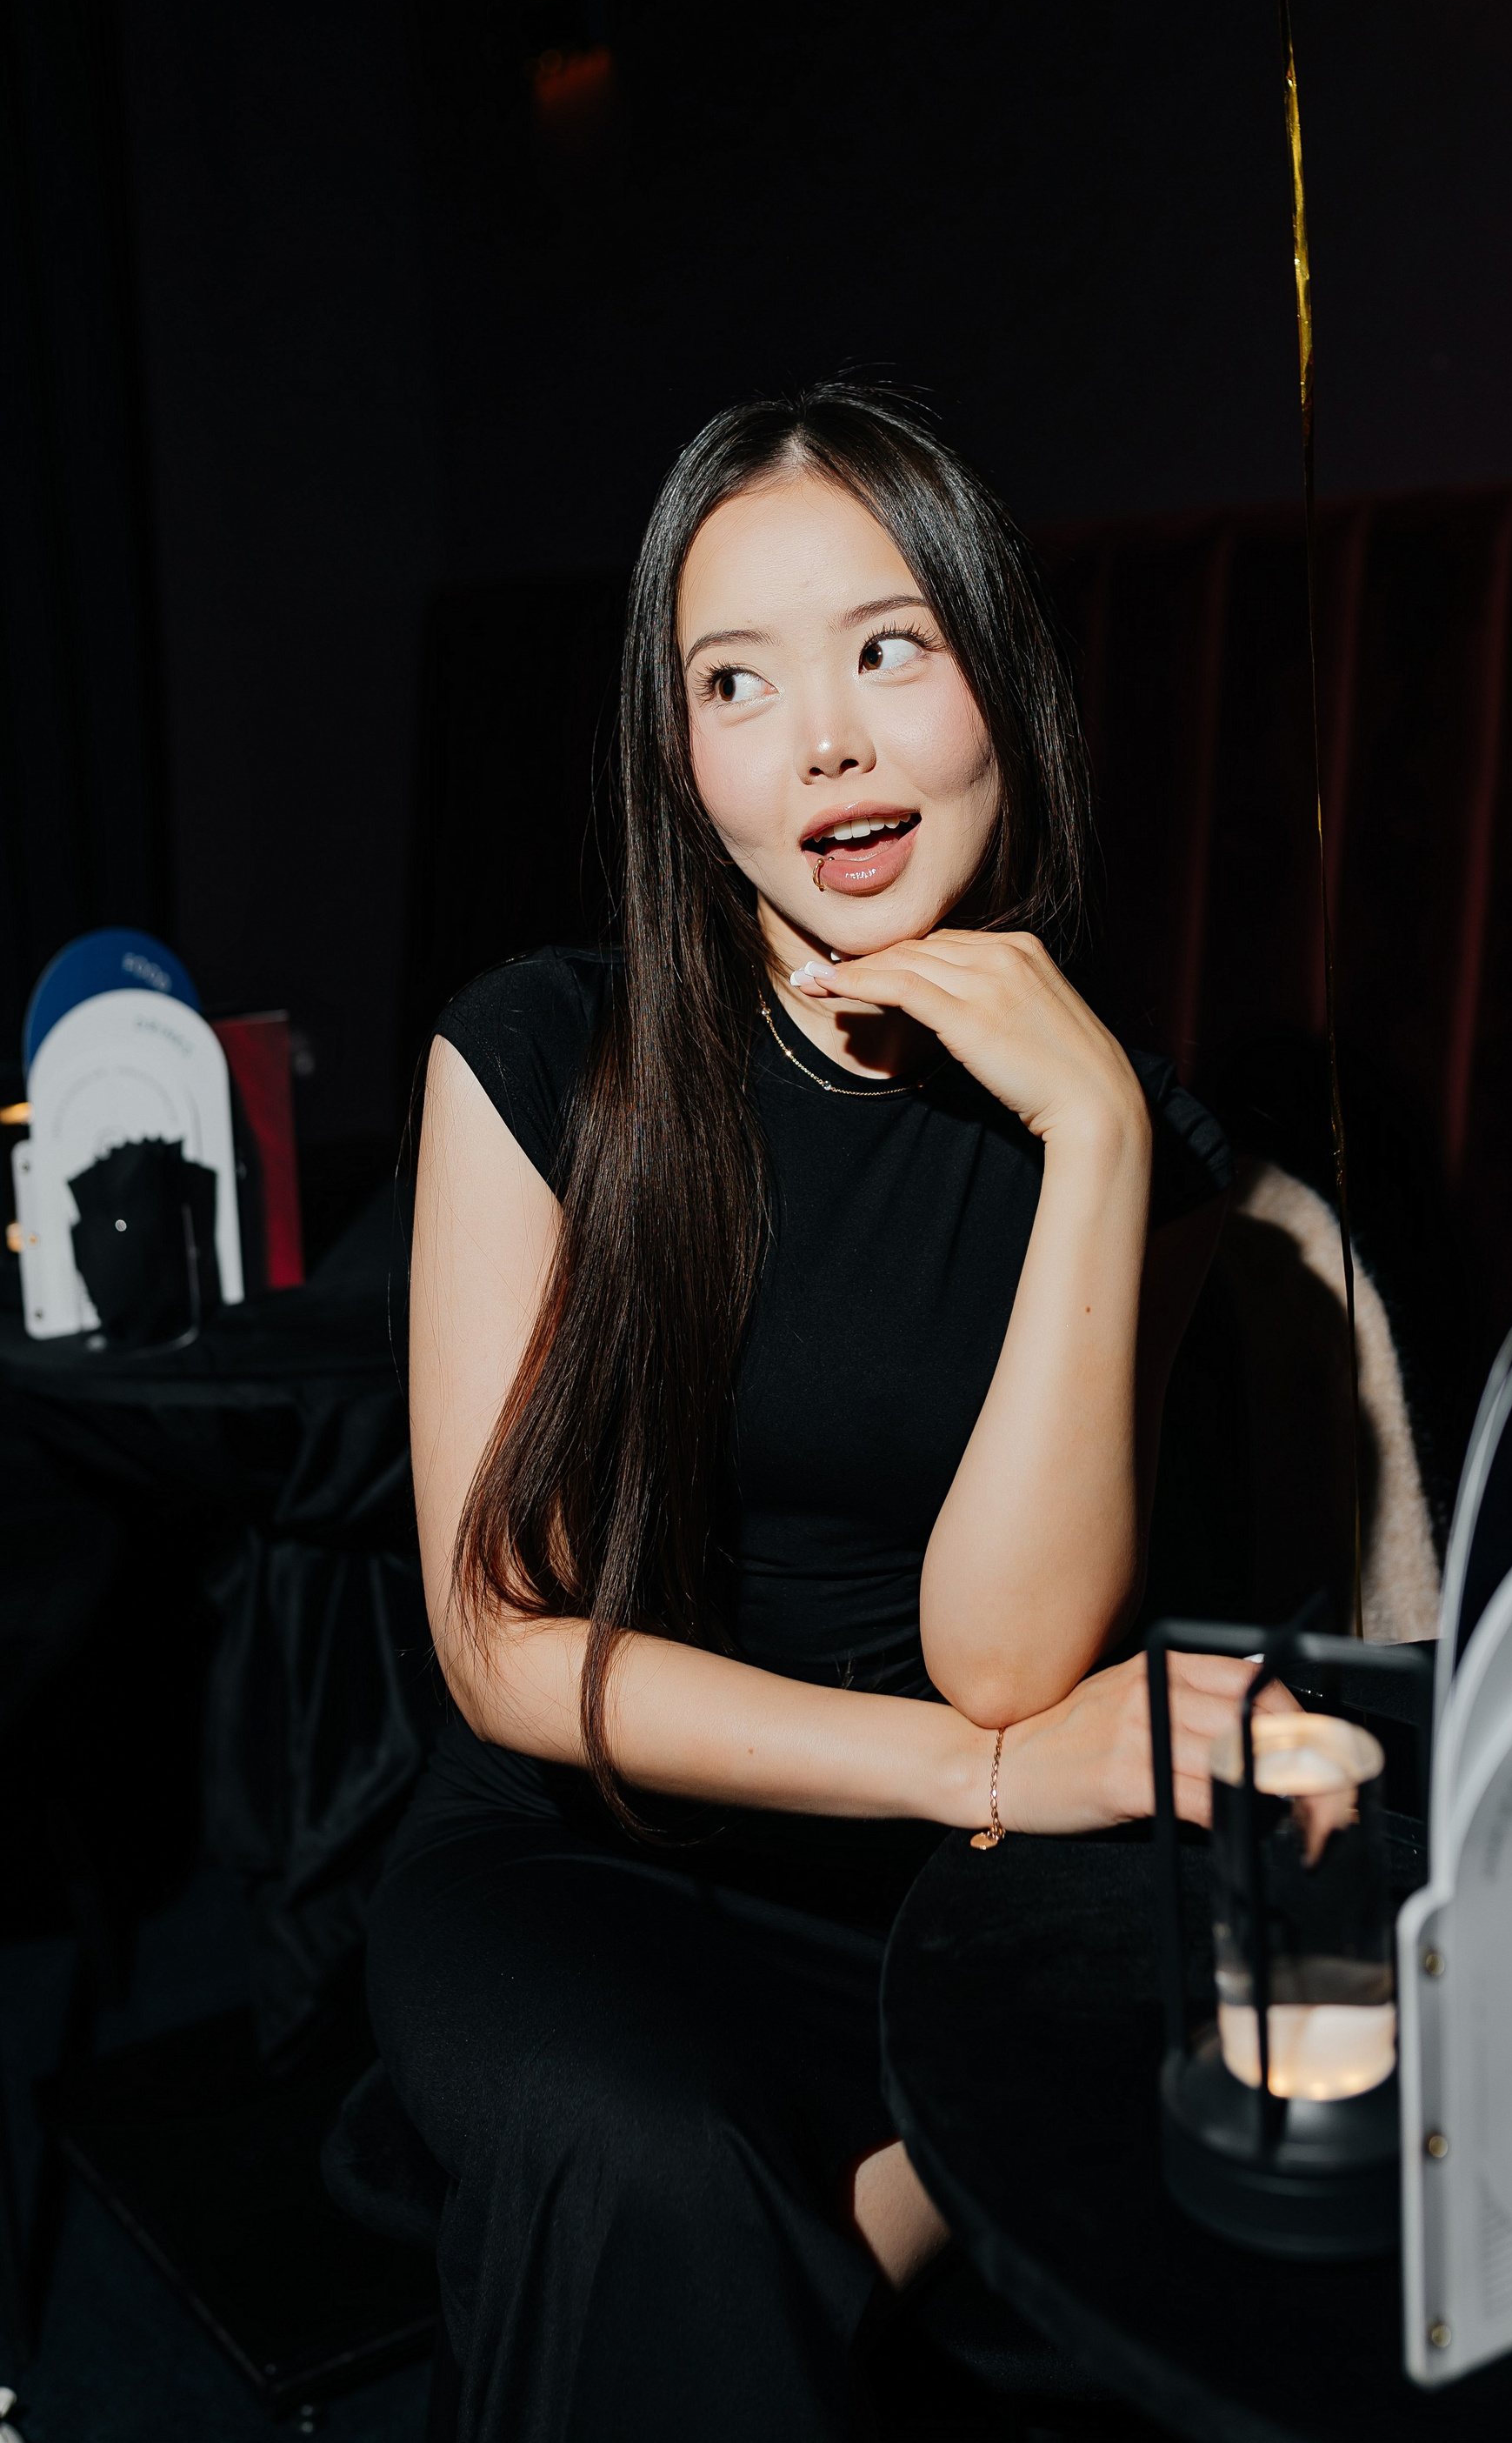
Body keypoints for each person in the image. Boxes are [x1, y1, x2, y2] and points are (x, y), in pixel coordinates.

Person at [368, 384, 1267, 2440]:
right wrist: (981, 1773)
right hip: (583, 1857)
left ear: (1002, 680)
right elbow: (503, 1651)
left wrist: (1100, 1132)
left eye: (887, 648)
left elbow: (1008, 1654)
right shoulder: (539, 1055)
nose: (826, 742)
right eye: (737, 682)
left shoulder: (1144, 1145)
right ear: (681, 760)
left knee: (671, 2262)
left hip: (961, 1903)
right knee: (654, 2165)